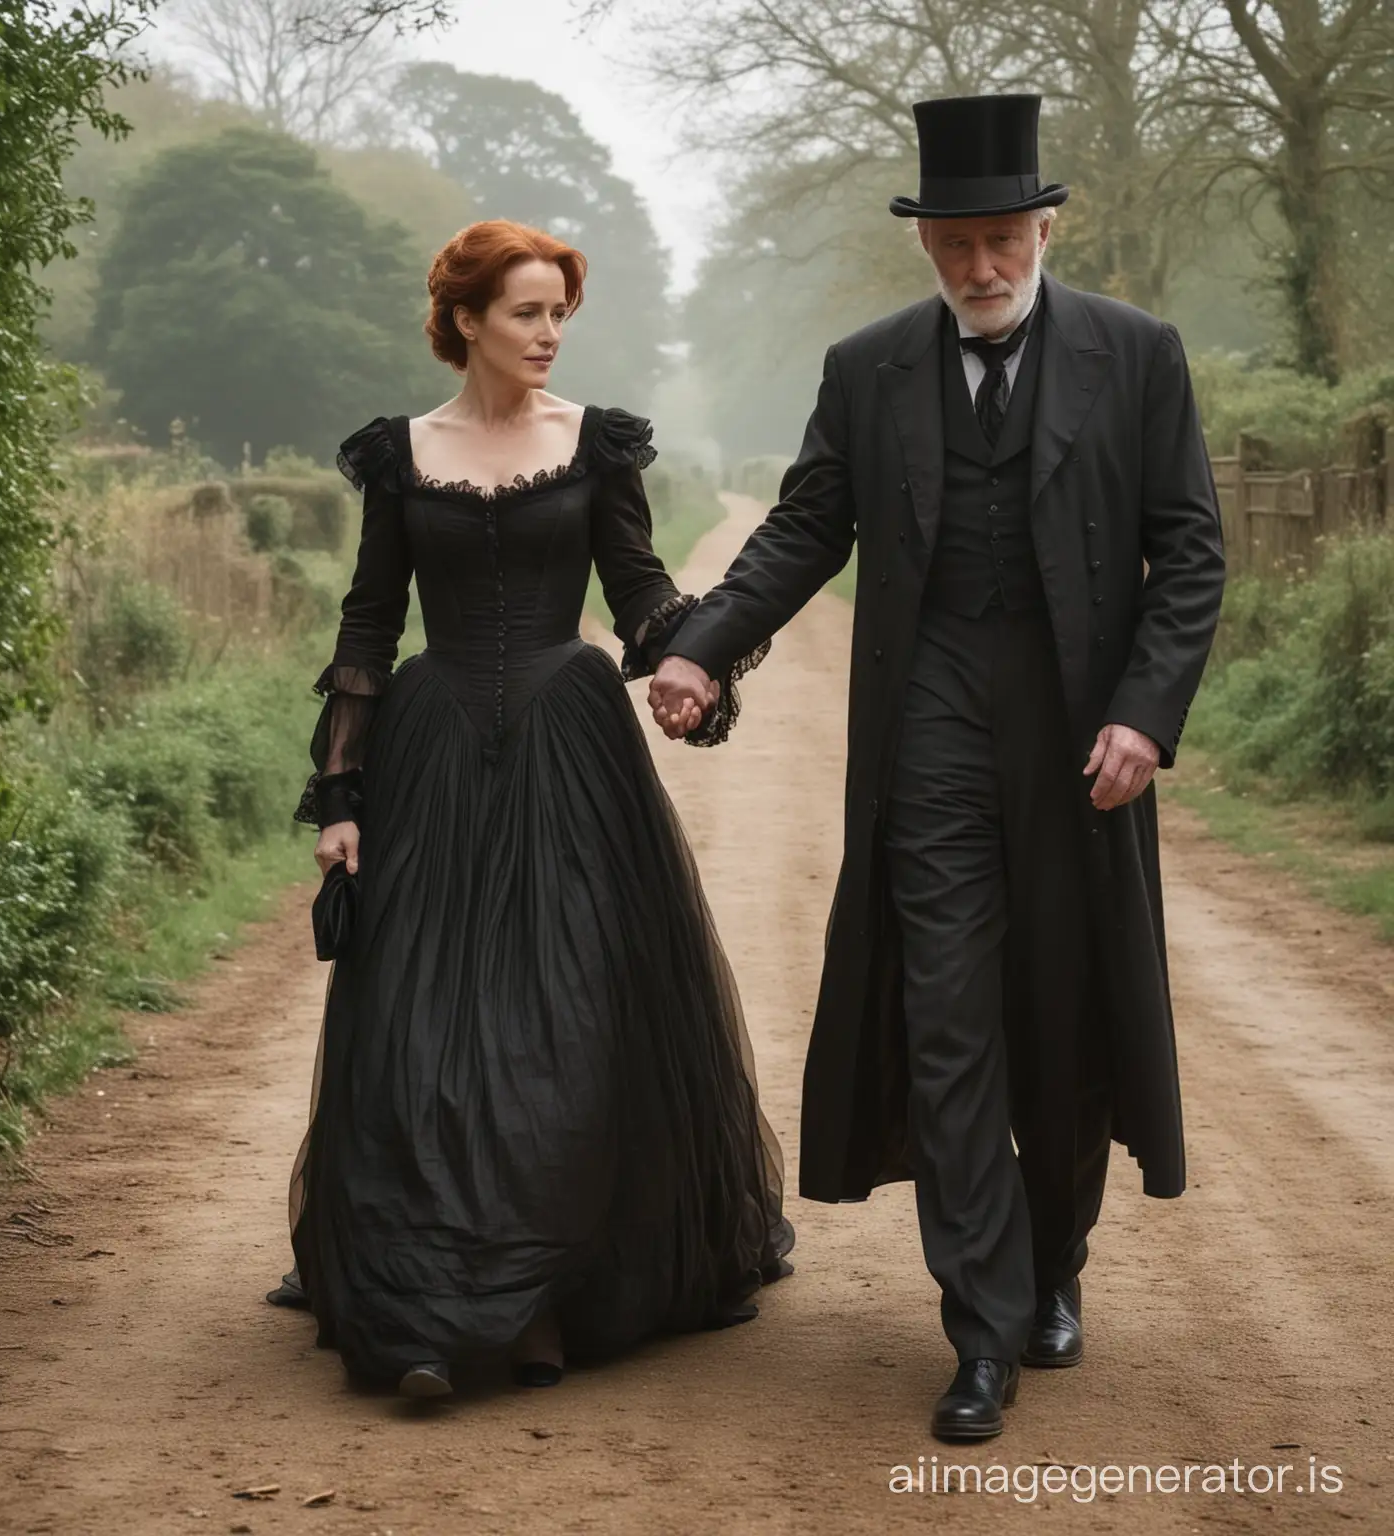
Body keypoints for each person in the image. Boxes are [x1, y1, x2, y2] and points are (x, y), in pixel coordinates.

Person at [649, 95, 1225, 1441]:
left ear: (1043, 228)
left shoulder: (1136, 356)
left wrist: (1146, 714)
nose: (981, 266)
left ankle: (1054, 1271)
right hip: (929, 742)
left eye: (1003, 238)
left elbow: (1189, 552)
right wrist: (701, 649)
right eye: (957, 242)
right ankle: (981, 1328)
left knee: (1060, 1024)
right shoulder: (870, 371)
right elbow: (803, 532)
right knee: (952, 1028)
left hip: (1086, 746)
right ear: (926, 244)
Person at [275, 219, 793, 1399]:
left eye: (561, 311)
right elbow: (369, 624)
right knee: (420, 1024)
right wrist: (342, 795)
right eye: (526, 312)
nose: (550, 334)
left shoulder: (598, 446)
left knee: (570, 1012)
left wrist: (695, 656)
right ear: (466, 321)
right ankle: (428, 1311)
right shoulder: (402, 455)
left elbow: (639, 590)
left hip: (571, 744)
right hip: (434, 752)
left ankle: (545, 1297)